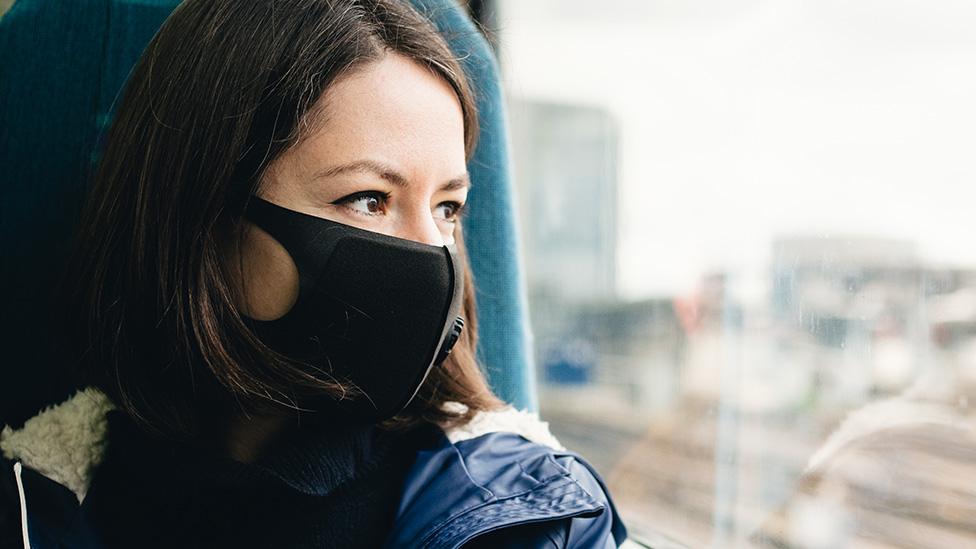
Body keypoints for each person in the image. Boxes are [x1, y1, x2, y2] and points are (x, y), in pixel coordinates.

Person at [0, 0, 628, 547]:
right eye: (369, 199)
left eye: (448, 209)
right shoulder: (34, 513)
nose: (431, 254)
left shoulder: (537, 520)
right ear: (208, 223)